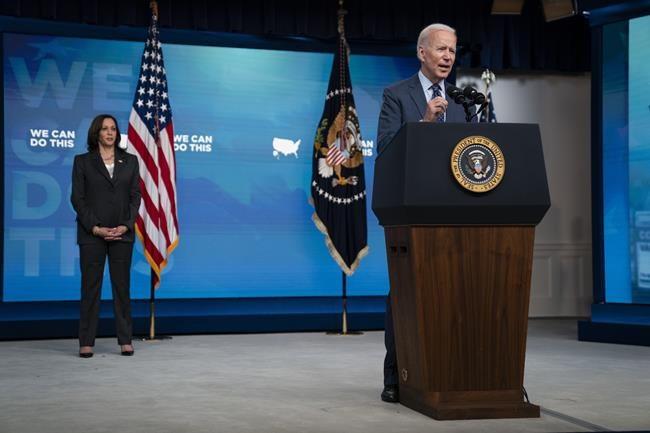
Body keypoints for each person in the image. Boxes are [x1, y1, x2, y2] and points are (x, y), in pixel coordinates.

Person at [376, 23, 473, 403]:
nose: (448, 56)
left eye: (452, 50)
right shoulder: (396, 95)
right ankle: (396, 376)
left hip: (457, 212)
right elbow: (385, 147)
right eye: (441, 49)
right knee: (404, 293)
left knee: (453, 292)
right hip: (410, 212)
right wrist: (425, 124)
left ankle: (449, 371)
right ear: (422, 53)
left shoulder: (464, 100)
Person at [71, 114, 141, 358]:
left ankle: (125, 339)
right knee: (91, 288)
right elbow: (77, 199)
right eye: (104, 129)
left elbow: (135, 197)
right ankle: (86, 341)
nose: (109, 133)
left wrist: (125, 225)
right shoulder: (82, 161)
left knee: (122, 288)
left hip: (122, 233)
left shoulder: (130, 161)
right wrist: (96, 227)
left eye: (113, 129)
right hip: (92, 235)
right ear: (96, 133)